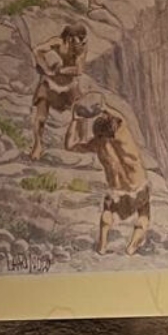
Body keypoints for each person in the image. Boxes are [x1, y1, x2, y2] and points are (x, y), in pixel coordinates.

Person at [64, 99, 152, 255]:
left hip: (116, 191)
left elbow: (70, 146)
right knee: (143, 213)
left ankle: (102, 245)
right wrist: (103, 106)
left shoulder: (97, 144)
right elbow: (118, 116)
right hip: (138, 186)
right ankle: (131, 247)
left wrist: (75, 120)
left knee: (108, 211)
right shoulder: (123, 136)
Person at [28, 21, 87, 162]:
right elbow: (37, 50)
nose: (79, 42)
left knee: (82, 109)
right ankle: (38, 145)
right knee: (41, 116)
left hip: (69, 85)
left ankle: (82, 141)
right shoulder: (57, 42)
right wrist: (46, 68)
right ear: (69, 37)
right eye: (77, 38)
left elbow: (79, 70)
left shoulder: (81, 48)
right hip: (50, 83)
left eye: (82, 38)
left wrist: (60, 70)